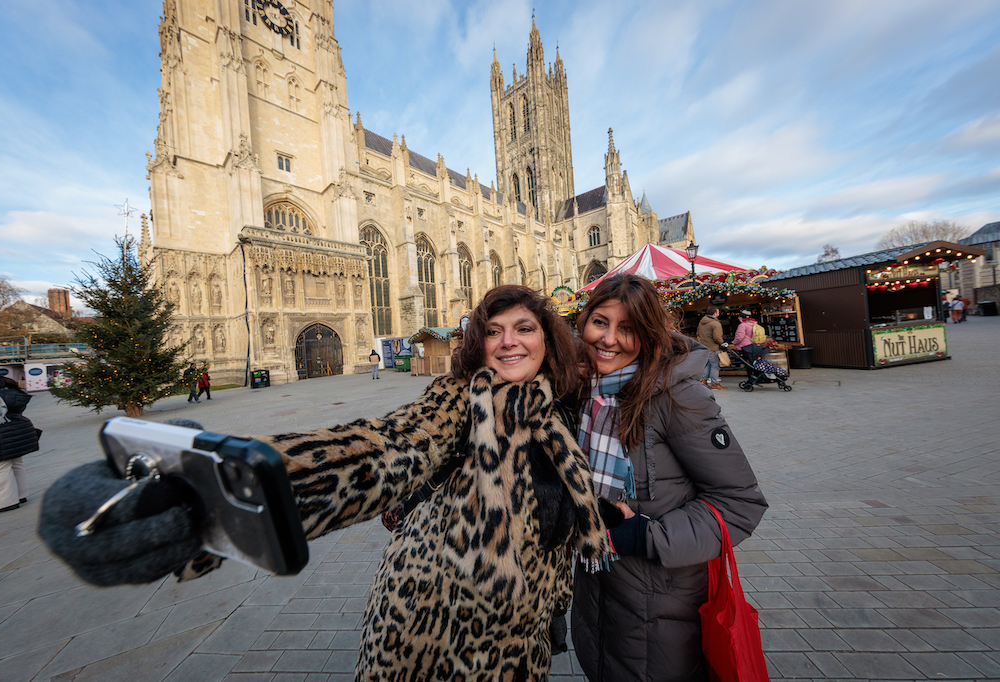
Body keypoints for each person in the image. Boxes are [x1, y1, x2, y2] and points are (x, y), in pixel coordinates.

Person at [39, 285, 612, 680]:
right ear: (478, 345)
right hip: (433, 622)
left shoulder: (565, 404)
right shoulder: (458, 402)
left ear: (548, 338)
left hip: (522, 638)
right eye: (493, 331)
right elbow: (386, 447)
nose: (509, 341)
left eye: (523, 328)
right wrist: (214, 489)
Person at [569, 274, 768, 682]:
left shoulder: (679, 397)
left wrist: (644, 536)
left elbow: (740, 504)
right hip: (598, 591)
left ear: (648, 334)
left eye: (627, 329)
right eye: (600, 323)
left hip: (663, 600)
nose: (608, 339)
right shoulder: (583, 391)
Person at [0, 375, 39, 516]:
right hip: (17, 434)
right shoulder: (13, 395)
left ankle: (6, 502)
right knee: (16, 464)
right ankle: (20, 494)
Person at [695, 305, 727, 390]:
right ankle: (714, 383)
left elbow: (698, 334)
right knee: (715, 366)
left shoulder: (701, 322)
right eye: (718, 312)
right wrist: (722, 343)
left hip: (705, 347)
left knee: (708, 365)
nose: (719, 313)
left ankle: (703, 381)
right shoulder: (716, 323)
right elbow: (717, 337)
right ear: (715, 313)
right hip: (713, 347)